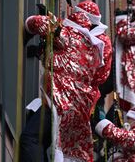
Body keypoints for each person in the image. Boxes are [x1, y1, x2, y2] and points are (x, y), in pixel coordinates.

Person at [24, 11, 106, 161]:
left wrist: (29, 26)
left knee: (31, 138)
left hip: (60, 103)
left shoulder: (69, 35)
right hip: (79, 112)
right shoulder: (94, 51)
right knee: (51, 145)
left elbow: (40, 23)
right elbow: (100, 76)